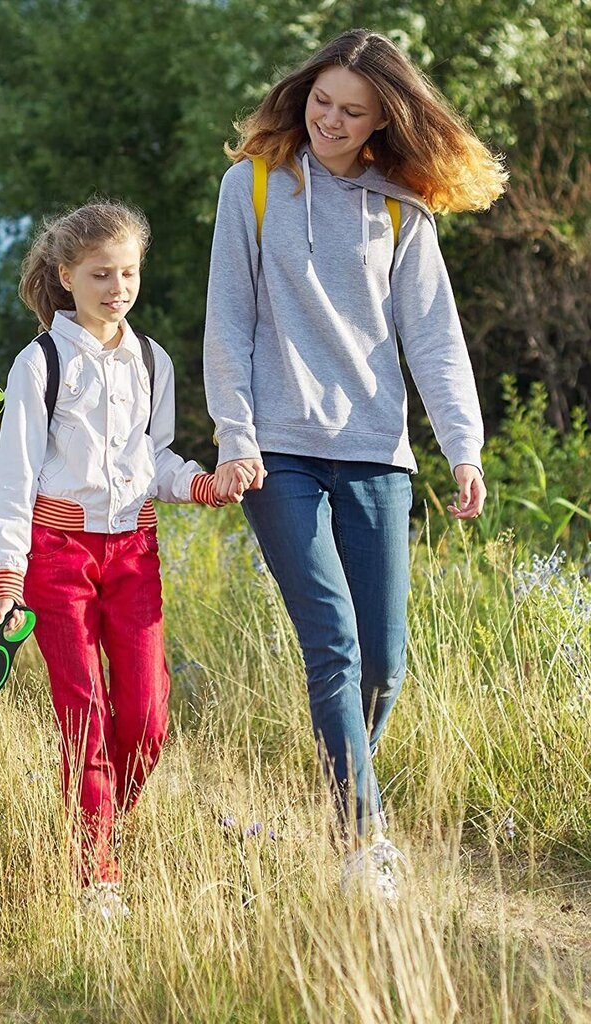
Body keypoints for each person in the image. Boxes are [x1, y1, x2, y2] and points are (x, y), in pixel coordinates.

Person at [203, 29, 507, 902]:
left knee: (384, 667)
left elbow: (434, 333)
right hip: (279, 452)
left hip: (376, 448)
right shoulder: (252, 186)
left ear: (383, 121)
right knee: (331, 639)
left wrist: (464, 443)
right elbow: (230, 322)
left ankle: (342, 791)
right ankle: (362, 840)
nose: (328, 119)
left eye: (351, 111)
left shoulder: (400, 206)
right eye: (321, 101)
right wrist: (237, 435)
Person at [0, 200, 229, 920]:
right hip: (57, 557)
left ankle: (97, 819)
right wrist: (7, 580)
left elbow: (153, 458)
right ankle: (97, 872)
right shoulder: (39, 363)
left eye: (128, 273)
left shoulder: (153, 360)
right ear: (66, 276)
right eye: (100, 274)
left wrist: (201, 484)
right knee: (85, 716)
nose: (117, 287)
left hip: (135, 553)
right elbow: (14, 478)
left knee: (148, 718)